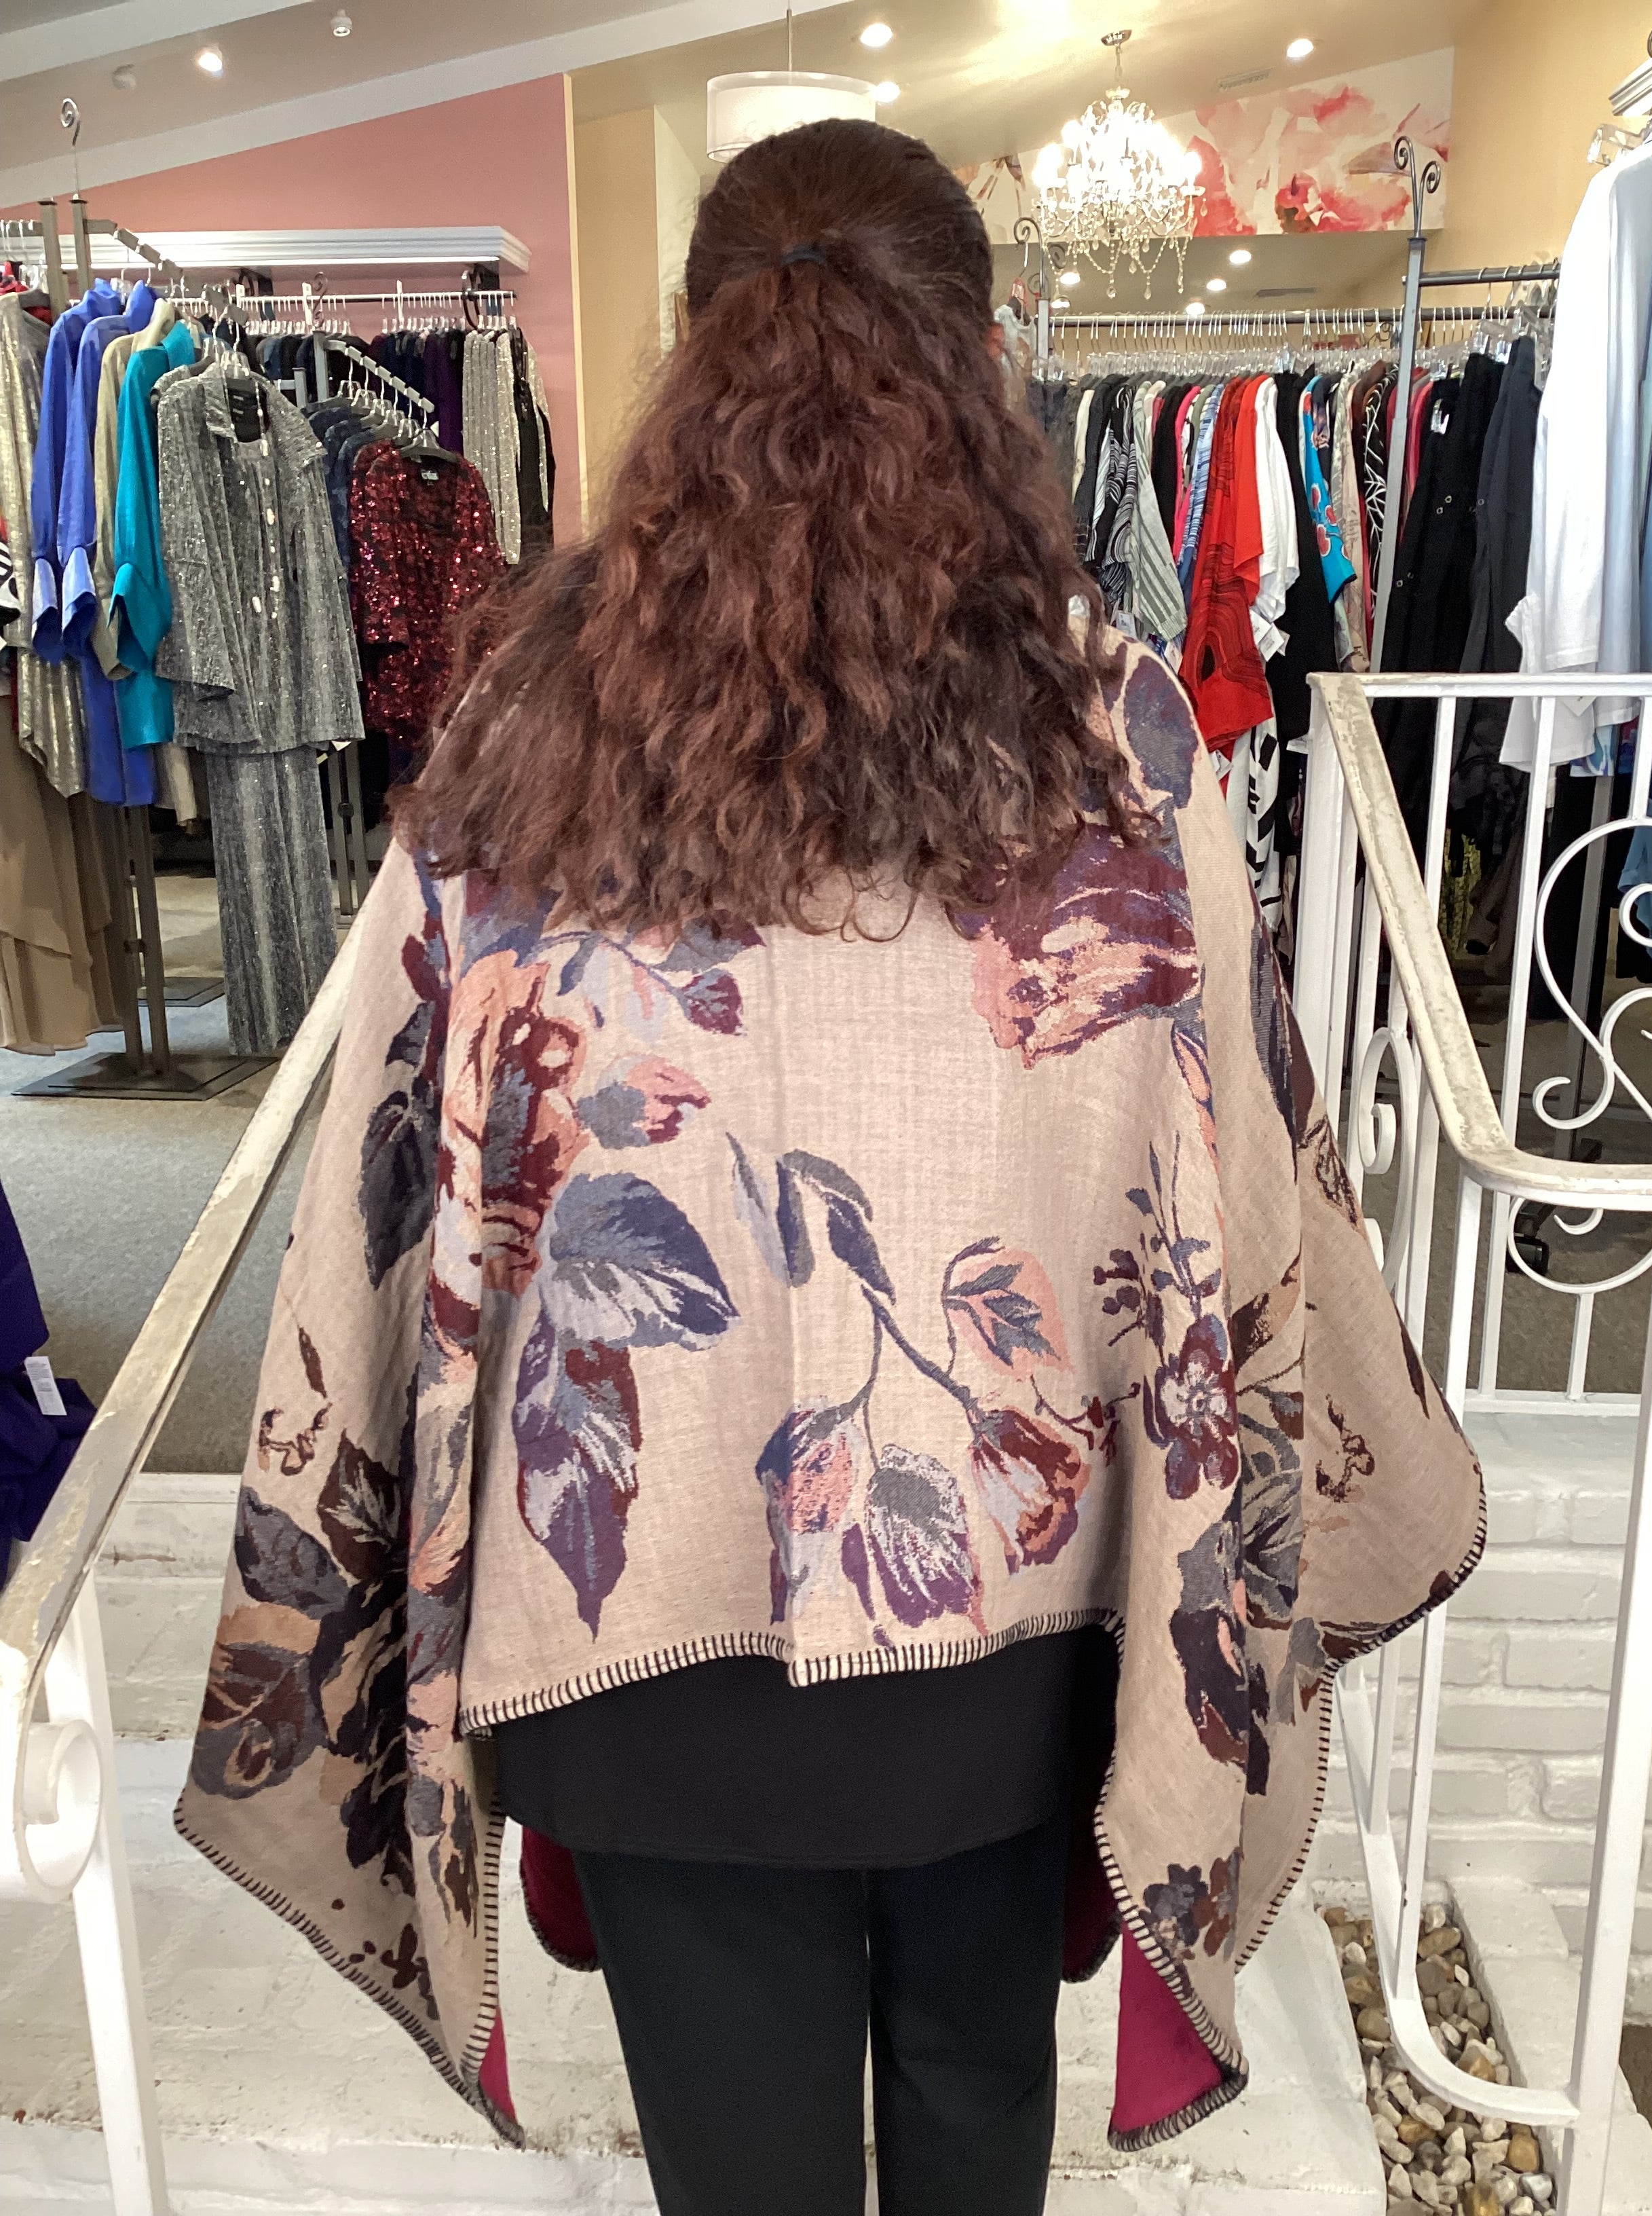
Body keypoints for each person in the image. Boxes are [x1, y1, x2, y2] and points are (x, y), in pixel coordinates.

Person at [177, 118, 1484, 2216]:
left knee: (736, 2169)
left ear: (695, 356)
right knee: (977, 2117)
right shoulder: (1118, 739)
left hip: (634, 1623)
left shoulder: (524, 728)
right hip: (1017, 1616)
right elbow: (1243, 1167)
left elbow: (390, 1169)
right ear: (978, 357)